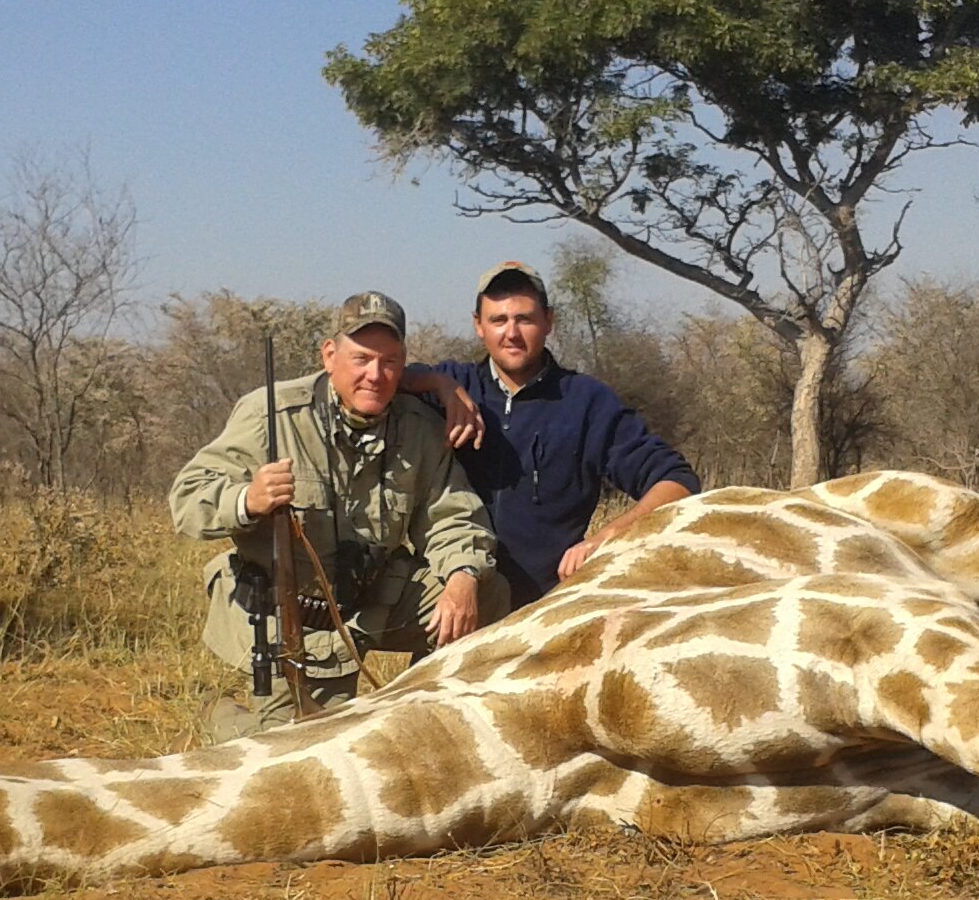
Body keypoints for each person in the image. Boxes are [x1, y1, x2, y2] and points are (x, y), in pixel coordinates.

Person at [170, 291, 508, 741]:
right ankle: (228, 717)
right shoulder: (270, 412)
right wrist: (247, 500)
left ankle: (428, 722)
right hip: (286, 618)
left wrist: (464, 576)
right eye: (362, 358)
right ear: (330, 355)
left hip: (369, 601)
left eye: (390, 362)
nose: (375, 375)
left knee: (488, 592)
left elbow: (453, 517)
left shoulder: (417, 428)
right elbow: (187, 499)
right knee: (299, 751)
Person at [400, 261, 701, 604]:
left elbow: (677, 481)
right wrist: (437, 384)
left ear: (549, 322)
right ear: (478, 326)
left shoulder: (587, 401)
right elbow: (379, 379)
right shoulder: (456, 386)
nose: (511, 333)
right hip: (458, 608)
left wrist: (607, 538)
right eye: (498, 320)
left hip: (547, 611)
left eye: (524, 319)